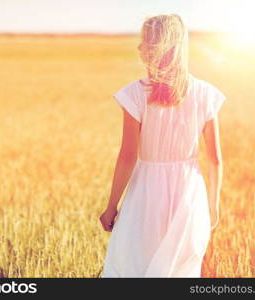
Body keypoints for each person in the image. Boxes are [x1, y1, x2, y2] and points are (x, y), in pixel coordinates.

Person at [99, 14, 226, 277]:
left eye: (143, 41)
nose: (138, 47)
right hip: (189, 194)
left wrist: (112, 206)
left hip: (146, 193)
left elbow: (127, 156)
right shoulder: (205, 93)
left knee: (137, 267)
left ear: (153, 48)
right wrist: (212, 205)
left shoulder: (135, 94)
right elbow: (215, 160)